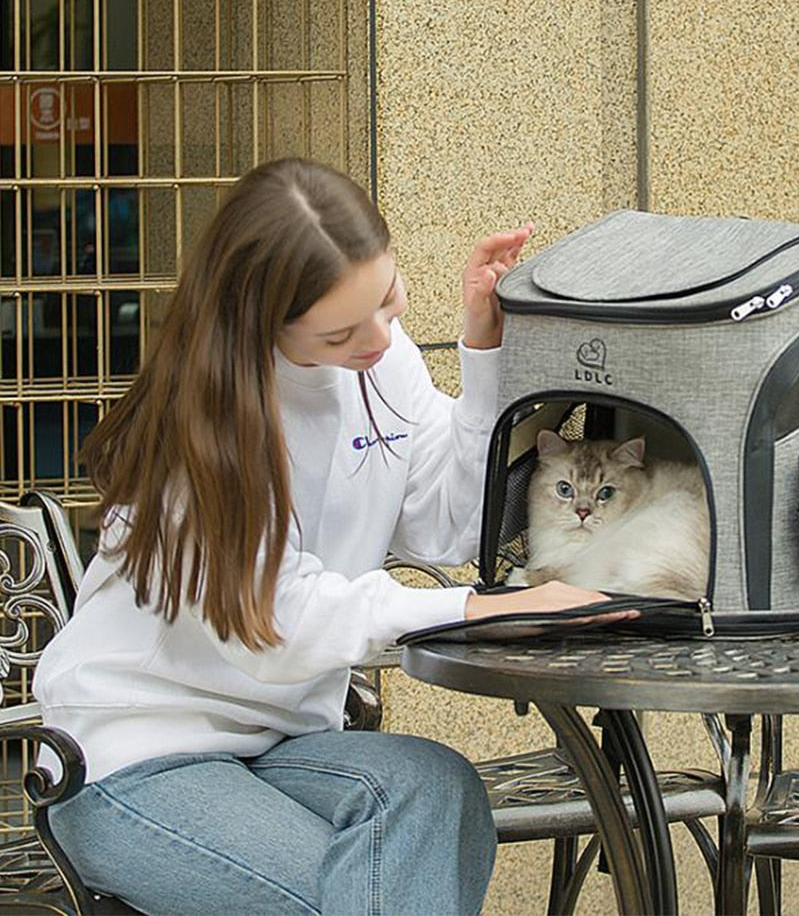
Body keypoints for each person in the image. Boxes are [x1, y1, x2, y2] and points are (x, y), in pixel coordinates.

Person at [33, 158, 621, 916]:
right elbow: (278, 623)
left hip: (278, 744)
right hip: (133, 759)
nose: (378, 338)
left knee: (438, 790)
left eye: (388, 299)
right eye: (341, 332)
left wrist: (482, 355)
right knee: (362, 899)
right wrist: (474, 610)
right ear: (263, 323)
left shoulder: (380, 359)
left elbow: (446, 524)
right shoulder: (200, 431)